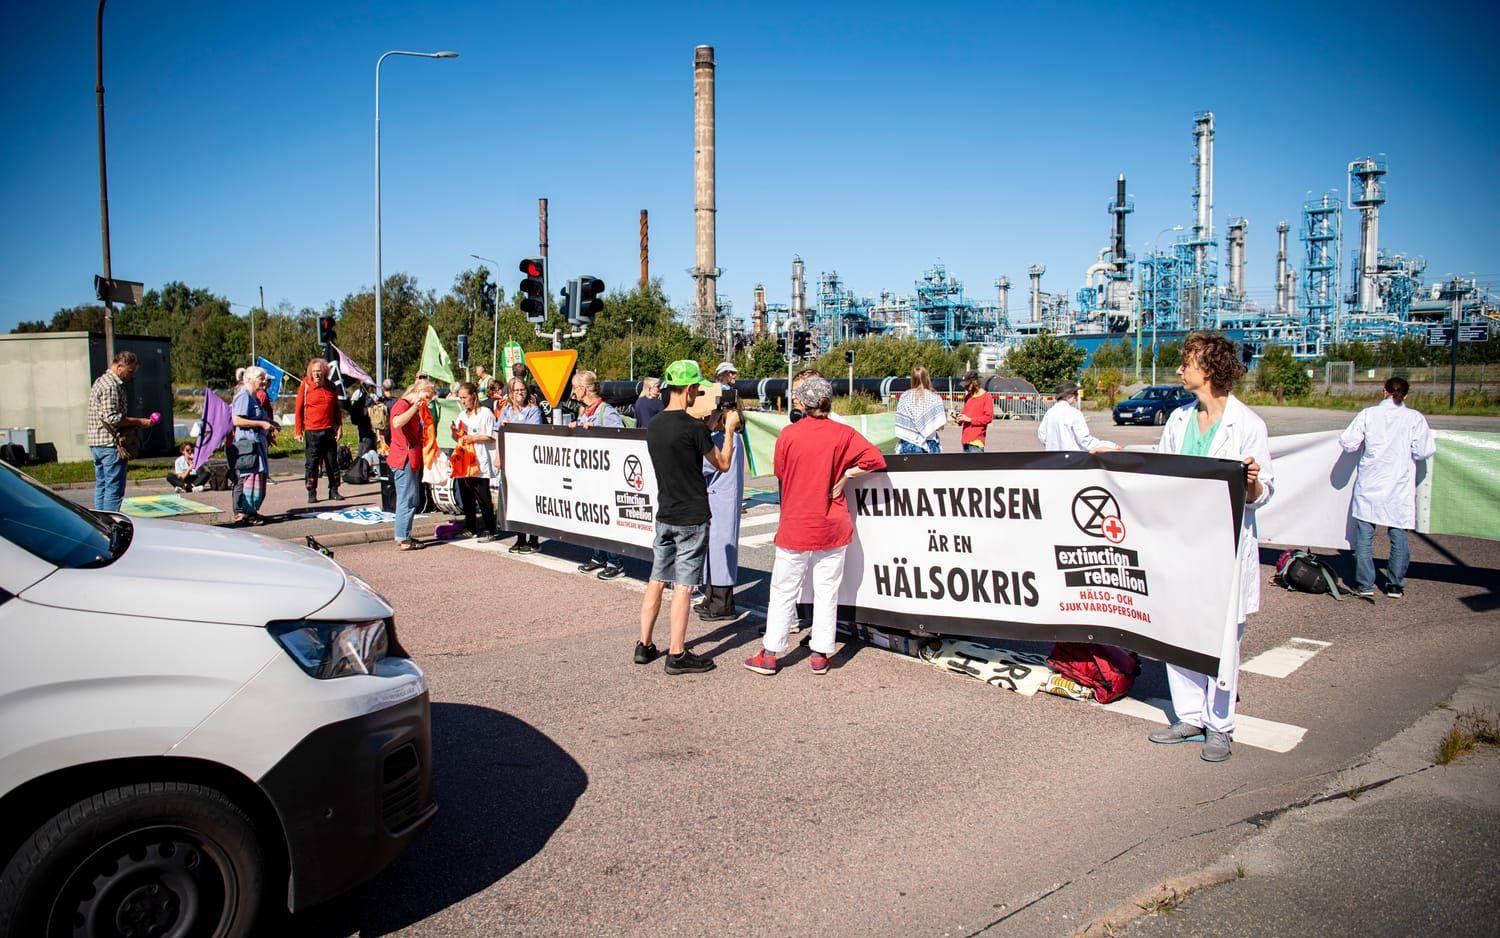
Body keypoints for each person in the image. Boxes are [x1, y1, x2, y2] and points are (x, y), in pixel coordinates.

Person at [1147, 331, 1273, 764]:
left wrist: (1252, 481)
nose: (1180, 370)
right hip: (1181, 542)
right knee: (1176, 629)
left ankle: (1219, 725)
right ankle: (1189, 716)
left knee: (1221, 638)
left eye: (1187, 362)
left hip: (1224, 549)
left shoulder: (1248, 425)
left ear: (1210, 368)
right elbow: (1158, 474)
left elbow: (1262, 494)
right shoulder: (1178, 420)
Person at [743, 376, 887, 677]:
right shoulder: (843, 434)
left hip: (797, 522)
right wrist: (847, 474)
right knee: (827, 590)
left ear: (802, 402)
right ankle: (821, 653)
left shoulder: (789, 435)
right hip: (832, 524)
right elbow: (876, 459)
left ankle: (771, 652)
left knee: (784, 589)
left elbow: (781, 472)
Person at [637, 360, 741, 675]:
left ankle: (644, 644)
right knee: (683, 586)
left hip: (665, 511)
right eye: (697, 388)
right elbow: (722, 463)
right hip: (691, 516)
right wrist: (730, 430)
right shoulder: (694, 428)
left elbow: (683, 443)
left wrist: (707, 427)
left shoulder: (654, 424)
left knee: (657, 579)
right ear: (691, 389)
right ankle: (678, 653)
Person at [1338, 376, 1435, 600]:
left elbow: (1348, 443)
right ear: (1406, 395)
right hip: (1399, 484)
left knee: (1365, 537)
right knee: (1398, 535)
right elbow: (1423, 451)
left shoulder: (1368, 414)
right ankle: (1394, 584)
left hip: (1371, 483)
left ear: (1384, 391)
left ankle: (1365, 584)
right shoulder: (1414, 418)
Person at [569, 371, 629, 579]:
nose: (572, 391)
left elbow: (620, 438)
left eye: (575, 387)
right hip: (589, 476)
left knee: (608, 516)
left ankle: (615, 561)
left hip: (606, 476)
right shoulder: (583, 412)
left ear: (584, 389)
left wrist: (597, 429)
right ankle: (598, 555)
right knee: (592, 515)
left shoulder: (606, 412)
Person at [87, 351, 156, 512]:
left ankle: (100, 520)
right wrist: (140, 422)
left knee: (102, 485)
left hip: (97, 442)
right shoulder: (111, 386)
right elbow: (112, 418)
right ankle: (110, 524)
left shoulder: (100, 381)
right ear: (119, 366)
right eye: (130, 371)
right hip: (110, 444)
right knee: (113, 489)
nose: (131, 376)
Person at [698, 401, 746, 621]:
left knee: (720, 552)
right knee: (713, 552)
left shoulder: (726, 439)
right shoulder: (728, 438)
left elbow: (704, 465)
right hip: (718, 499)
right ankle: (711, 597)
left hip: (721, 500)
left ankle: (722, 604)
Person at [387, 378, 437, 551]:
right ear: (418, 390)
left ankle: (403, 535)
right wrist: (416, 407)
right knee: (407, 499)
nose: (427, 400)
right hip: (403, 458)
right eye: (426, 396)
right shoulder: (402, 405)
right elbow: (396, 422)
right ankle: (404, 538)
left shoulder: (408, 406)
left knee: (409, 498)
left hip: (408, 457)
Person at [497, 377, 543, 553]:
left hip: (528, 462)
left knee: (530, 499)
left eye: (522, 390)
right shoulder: (506, 410)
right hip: (511, 461)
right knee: (515, 501)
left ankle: (533, 539)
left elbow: (532, 433)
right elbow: (498, 431)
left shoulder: (533, 410)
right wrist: (498, 456)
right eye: (516, 390)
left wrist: (512, 426)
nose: (520, 393)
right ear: (510, 393)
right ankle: (520, 538)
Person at [450, 382, 501, 541]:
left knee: (483, 496)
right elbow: (458, 437)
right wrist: (455, 432)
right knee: (466, 496)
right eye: (460, 398)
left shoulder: (485, 413)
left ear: (474, 395)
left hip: (480, 459)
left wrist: (474, 437)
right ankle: (470, 526)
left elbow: (492, 435)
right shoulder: (462, 415)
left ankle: (489, 528)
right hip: (465, 461)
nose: (463, 401)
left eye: (465, 397)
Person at [231, 366, 277, 525]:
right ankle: (246, 513)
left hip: (257, 444)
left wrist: (270, 424)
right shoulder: (243, 396)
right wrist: (261, 424)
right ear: (250, 379)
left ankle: (252, 512)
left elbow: (259, 417)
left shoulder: (254, 397)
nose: (265, 381)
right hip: (248, 445)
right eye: (261, 378)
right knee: (250, 479)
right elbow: (237, 420)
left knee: (258, 479)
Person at [295, 358, 343, 503]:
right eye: (314, 372)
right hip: (312, 431)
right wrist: (298, 431)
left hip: (329, 430)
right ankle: (312, 491)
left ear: (324, 372)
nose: (316, 374)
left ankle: (334, 490)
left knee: (332, 462)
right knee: (312, 463)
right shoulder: (305, 385)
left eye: (319, 371)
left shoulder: (331, 386)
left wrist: (339, 426)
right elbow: (298, 410)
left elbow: (336, 409)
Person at [1038, 380, 1119, 453]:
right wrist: (1111, 445)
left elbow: (1042, 435)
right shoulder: (1074, 413)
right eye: (1076, 393)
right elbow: (1085, 441)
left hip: (1052, 460)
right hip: (1073, 461)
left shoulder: (1049, 413)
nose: (1077, 396)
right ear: (1069, 395)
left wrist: (1054, 445)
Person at [895, 365, 946, 454]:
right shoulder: (935, 398)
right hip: (930, 443)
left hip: (908, 443)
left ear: (912, 379)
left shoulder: (904, 397)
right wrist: (928, 425)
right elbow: (940, 427)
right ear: (927, 378)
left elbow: (900, 422)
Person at [953, 371, 994, 452]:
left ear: (974, 383)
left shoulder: (986, 397)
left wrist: (970, 420)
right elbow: (965, 414)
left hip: (976, 442)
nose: (965, 387)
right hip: (965, 440)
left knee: (976, 465)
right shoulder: (967, 397)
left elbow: (988, 418)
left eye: (967, 385)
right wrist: (959, 419)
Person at [346, 383, 378, 457]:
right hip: (368, 433)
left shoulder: (358, 403)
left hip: (364, 433)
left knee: (364, 455)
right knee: (368, 456)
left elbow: (353, 420)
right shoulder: (371, 402)